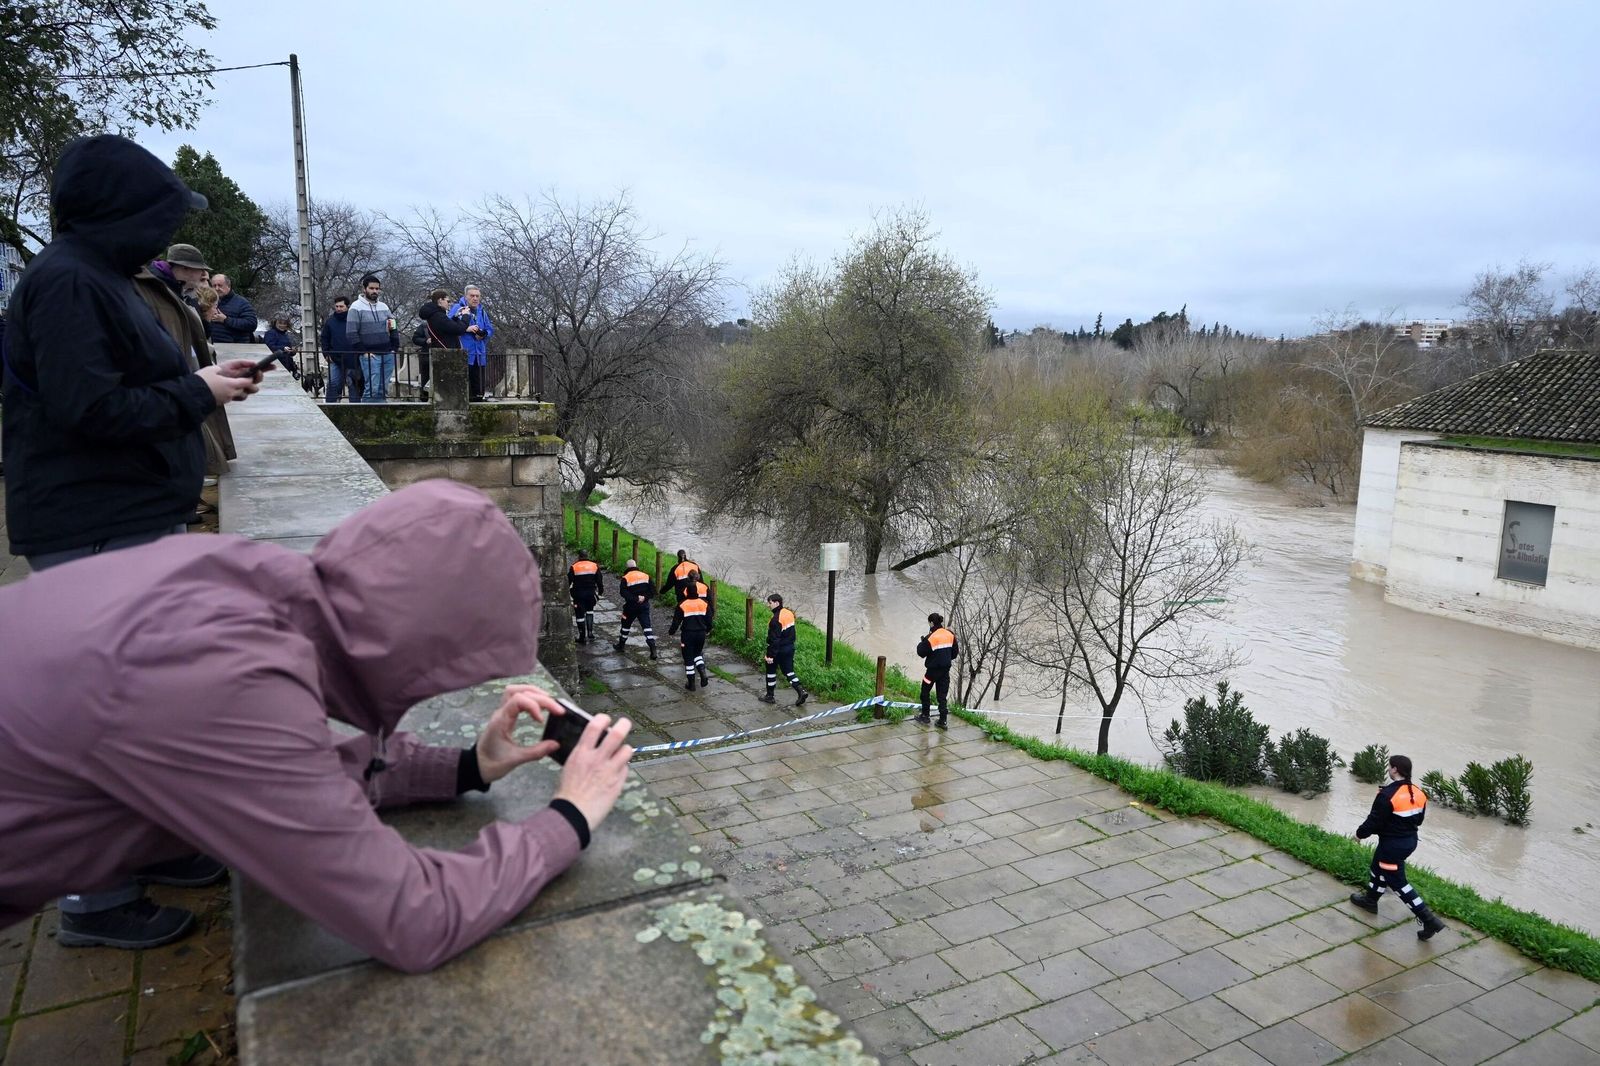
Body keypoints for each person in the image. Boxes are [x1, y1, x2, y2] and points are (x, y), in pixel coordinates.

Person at [0, 482, 637, 973]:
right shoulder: (230, 683)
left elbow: (283, 776)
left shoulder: (242, 582)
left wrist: (467, 765)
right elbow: (414, 919)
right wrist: (568, 819)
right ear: (419, 649)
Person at [0, 134, 261, 946]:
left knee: (143, 705)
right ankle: (94, 899)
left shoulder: (97, 277)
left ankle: (148, 849)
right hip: (92, 523)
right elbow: (92, 410)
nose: (161, 236)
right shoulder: (69, 284)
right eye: (153, 218)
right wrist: (197, 391)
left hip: (124, 516)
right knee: (101, 715)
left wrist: (194, 390)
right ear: (116, 214)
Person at [135, 244, 239, 477]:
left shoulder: (170, 290)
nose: (204, 277)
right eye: (200, 272)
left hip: (186, 377)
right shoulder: (156, 290)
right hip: (175, 382)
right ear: (184, 268)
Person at [1348, 754, 1447, 940]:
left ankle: (1429, 920)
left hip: (1392, 847)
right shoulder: (1418, 792)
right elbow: (1417, 819)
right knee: (1377, 868)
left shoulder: (1387, 795)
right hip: (1409, 842)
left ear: (1394, 769)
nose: (1388, 769)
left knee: (1399, 883)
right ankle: (1370, 900)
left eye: (1389, 767)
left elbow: (1374, 821)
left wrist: (1359, 835)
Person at [347, 273, 398, 402]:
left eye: (377, 288)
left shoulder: (384, 307)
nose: (375, 291)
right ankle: (365, 416)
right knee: (372, 389)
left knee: (383, 388)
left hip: (387, 353)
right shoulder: (356, 307)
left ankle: (381, 415)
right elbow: (351, 332)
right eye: (372, 288)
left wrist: (394, 347)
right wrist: (363, 352)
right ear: (364, 289)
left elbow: (393, 326)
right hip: (370, 354)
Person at [759, 594, 809, 706]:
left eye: (770, 603)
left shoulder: (775, 620)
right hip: (789, 647)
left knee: (771, 671)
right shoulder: (788, 613)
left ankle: (770, 696)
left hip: (778, 650)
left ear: (777, 603)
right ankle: (801, 691)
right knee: (788, 671)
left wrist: (770, 656)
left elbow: (774, 640)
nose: (768, 605)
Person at [450, 285, 494, 401]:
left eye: (477, 296)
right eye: (472, 296)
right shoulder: (457, 308)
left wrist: (483, 333)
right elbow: (448, 327)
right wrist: (466, 329)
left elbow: (490, 329)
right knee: (463, 389)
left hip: (479, 355)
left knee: (479, 389)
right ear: (466, 296)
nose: (475, 298)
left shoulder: (482, 311)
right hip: (463, 353)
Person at [916, 614, 959, 730]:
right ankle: (943, 721)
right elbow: (954, 653)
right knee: (942, 696)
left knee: (925, 691)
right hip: (945, 671)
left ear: (931, 623)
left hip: (931, 672)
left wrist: (924, 641)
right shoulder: (950, 634)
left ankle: (925, 716)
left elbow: (920, 652)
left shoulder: (931, 637)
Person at [673, 573, 714, 691]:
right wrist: (708, 630)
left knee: (688, 658)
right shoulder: (704, 604)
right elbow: (709, 620)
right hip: (701, 634)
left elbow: (676, 621)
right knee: (698, 653)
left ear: (687, 591)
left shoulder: (682, 604)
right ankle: (703, 672)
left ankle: (691, 684)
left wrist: (672, 631)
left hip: (687, 634)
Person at [613, 558, 658, 659]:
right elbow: (653, 591)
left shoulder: (626, 578)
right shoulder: (646, 576)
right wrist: (644, 597)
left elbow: (623, 593)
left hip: (631, 607)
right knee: (647, 627)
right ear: (636, 565)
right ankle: (653, 648)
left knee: (625, 625)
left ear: (627, 567)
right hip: (644, 606)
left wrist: (635, 598)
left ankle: (621, 645)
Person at [321, 296, 362, 403]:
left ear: (347, 307)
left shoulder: (354, 320)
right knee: (333, 383)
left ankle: (356, 409)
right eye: (337, 306)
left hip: (353, 359)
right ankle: (330, 407)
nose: (339, 309)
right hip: (335, 358)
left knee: (353, 385)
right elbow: (324, 339)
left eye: (341, 306)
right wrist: (326, 354)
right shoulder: (330, 322)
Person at [203, 272, 257, 344]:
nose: (217, 288)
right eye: (214, 285)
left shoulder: (241, 303)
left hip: (234, 349)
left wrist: (226, 320)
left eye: (220, 285)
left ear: (228, 286)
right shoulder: (207, 302)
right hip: (211, 347)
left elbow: (251, 324)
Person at [568, 550, 603, 645]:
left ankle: (582, 636)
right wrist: (600, 592)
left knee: (579, 615)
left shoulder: (574, 567)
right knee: (590, 611)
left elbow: (569, 581)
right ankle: (590, 633)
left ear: (579, 557)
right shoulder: (594, 566)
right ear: (587, 555)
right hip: (591, 593)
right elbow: (599, 581)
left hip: (578, 594)